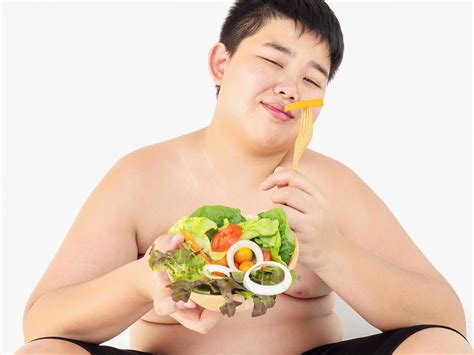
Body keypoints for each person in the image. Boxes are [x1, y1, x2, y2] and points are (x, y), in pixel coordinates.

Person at [15, 1, 472, 354]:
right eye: (274, 61)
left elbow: (447, 319)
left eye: (313, 80)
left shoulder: (330, 186)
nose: (290, 87)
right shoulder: (142, 176)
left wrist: (331, 251)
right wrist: (143, 280)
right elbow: (41, 326)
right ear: (221, 63)